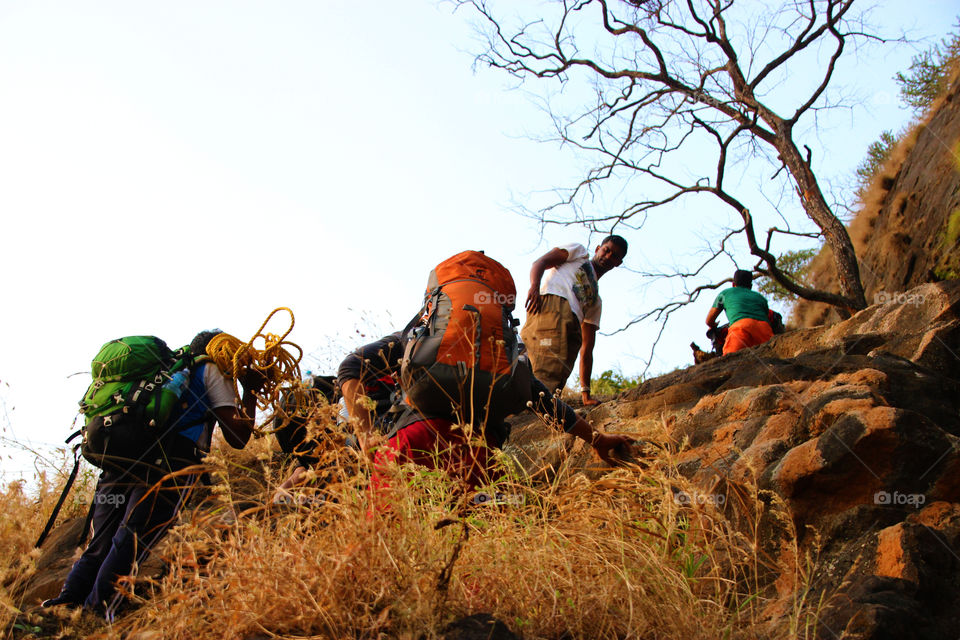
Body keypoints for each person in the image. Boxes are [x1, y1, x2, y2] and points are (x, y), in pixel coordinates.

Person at [42, 330, 262, 617]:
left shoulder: (161, 374)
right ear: (219, 352)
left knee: (102, 539)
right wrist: (251, 390)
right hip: (170, 466)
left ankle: (67, 600)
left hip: (118, 463)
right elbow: (237, 436)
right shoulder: (210, 369)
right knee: (133, 539)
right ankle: (98, 613)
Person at [338, 331, 633, 498]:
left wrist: (367, 440)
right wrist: (596, 438)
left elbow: (351, 367)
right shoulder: (501, 343)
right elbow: (542, 400)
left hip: (410, 442)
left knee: (384, 560)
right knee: (478, 565)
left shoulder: (419, 335)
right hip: (480, 457)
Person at [521, 236, 628, 406]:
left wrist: (585, 393)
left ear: (618, 263)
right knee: (544, 366)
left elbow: (587, 348)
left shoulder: (595, 301)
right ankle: (528, 416)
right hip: (552, 309)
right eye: (606, 250)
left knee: (556, 373)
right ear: (598, 248)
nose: (608, 256)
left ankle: (538, 411)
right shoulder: (579, 253)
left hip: (571, 327)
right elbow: (541, 262)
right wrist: (534, 287)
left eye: (614, 256)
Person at [705, 270, 775, 355]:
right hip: (764, 331)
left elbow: (709, 321)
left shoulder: (725, 294)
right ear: (750, 286)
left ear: (733, 284)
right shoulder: (760, 298)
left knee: (730, 362)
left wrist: (713, 325)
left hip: (740, 329)